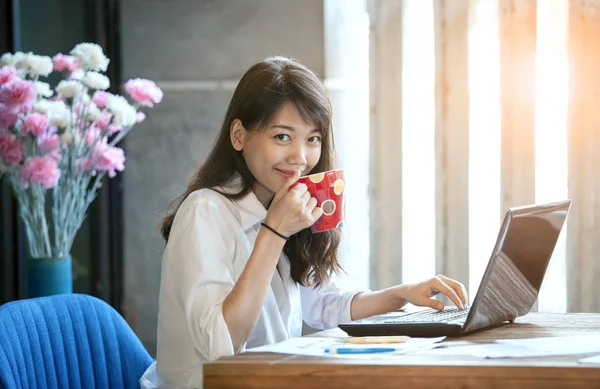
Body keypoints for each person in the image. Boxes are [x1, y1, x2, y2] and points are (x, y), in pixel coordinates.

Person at [139, 56, 468, 389]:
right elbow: (220, 348)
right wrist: (274, 232)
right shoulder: (205, 211)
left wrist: (403, 294)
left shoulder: (285, 204)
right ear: (239, 135)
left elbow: (326, 304)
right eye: (282, 137)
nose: (300, 158)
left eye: (313, 139)